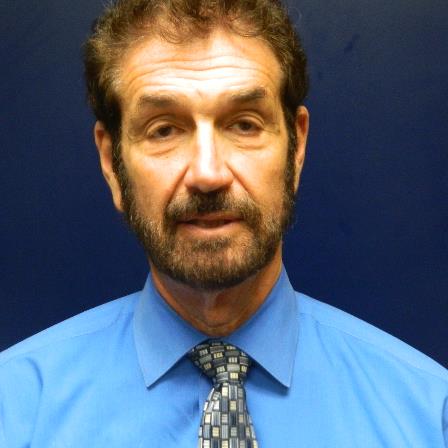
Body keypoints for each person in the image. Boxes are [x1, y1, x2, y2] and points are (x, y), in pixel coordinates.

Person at [0, 0, 447, 446]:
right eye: (163, 129)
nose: (208, 173)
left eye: (244, 125)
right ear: (110, 163)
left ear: (296, 149)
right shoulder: (15, 410)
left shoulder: (429, 414)